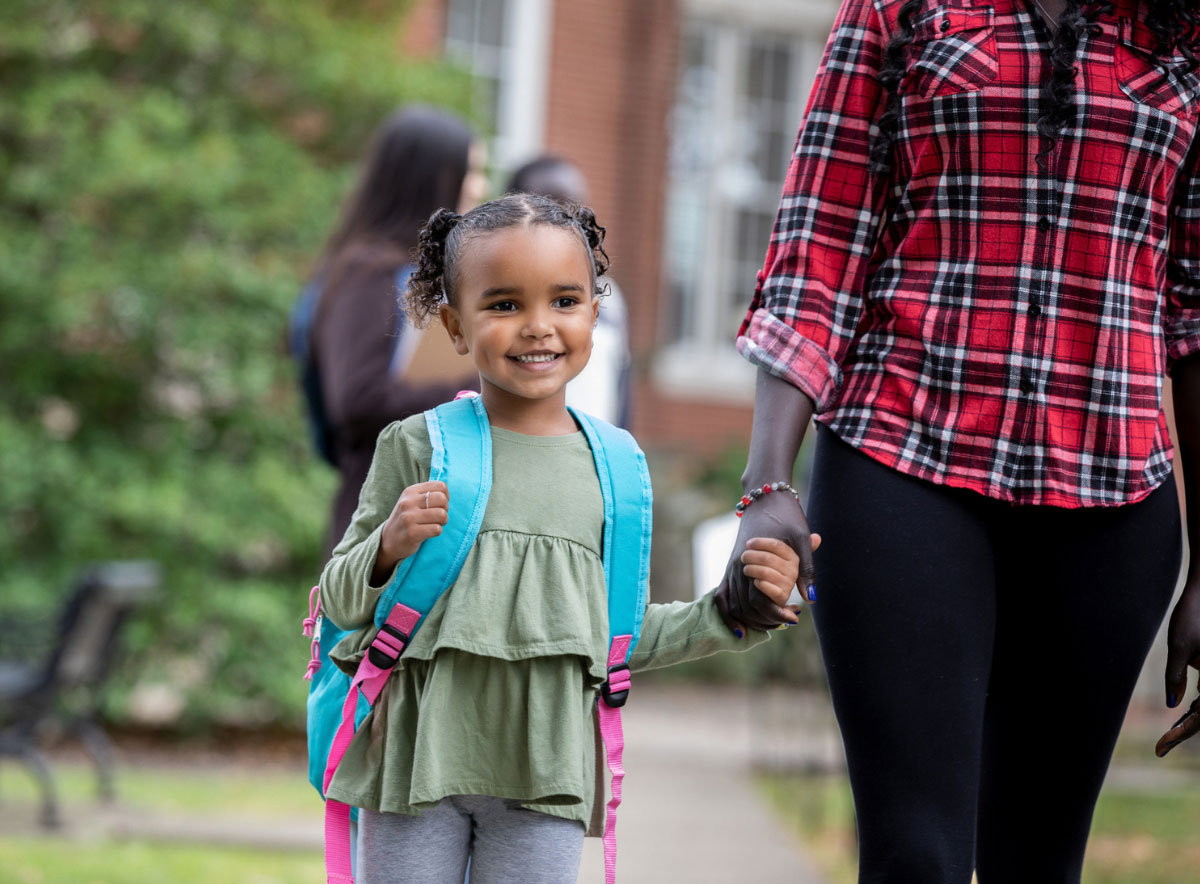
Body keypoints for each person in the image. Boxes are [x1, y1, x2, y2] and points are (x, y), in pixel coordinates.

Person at [716, 0, 1200, 880]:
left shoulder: (1185, 25)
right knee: (916, 856)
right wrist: (765, 483)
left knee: (1038, 862)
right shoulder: (901, 8)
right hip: (904, 459)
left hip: (1114, 492)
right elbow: (820, 244)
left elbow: (1197, 313)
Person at [317, 193, 803, 884]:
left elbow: (616, 639)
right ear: (454, 325)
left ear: (595, 316)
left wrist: (729, 613)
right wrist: (388, 545)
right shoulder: (418, 444)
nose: (537, 327)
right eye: (504, 304)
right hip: (414, 765)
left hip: (549, 777)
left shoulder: (618, 469)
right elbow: (341, 600)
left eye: (565, 301)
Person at [301, 105, 487, 554]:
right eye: (472, 171)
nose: (480, 187)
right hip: (378, 521)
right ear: (434, 178)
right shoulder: (368, 273)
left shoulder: (428, 271)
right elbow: (356, 399)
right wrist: (478, 389)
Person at [505, 155, 633, 427]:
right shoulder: (494, 296)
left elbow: (621, 388)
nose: (566, 222)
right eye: (551, 208)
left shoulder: (609, 296)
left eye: (576, 210)